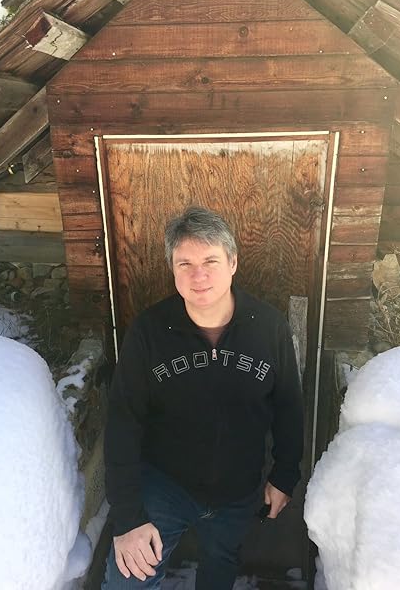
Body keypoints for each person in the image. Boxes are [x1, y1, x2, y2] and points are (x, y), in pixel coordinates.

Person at [102, 206, 304, 590]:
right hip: (165, 486)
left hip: (239, 490)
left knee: (220, 567)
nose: (199, 275)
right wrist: (127, 518)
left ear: (233, 263)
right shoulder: (148, 332)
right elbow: (123, 423)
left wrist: (284, 475)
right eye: (185, 264)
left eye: (210, 261)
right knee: (128, 579)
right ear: (172, 269)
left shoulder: (268, 327)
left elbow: (289, 406)